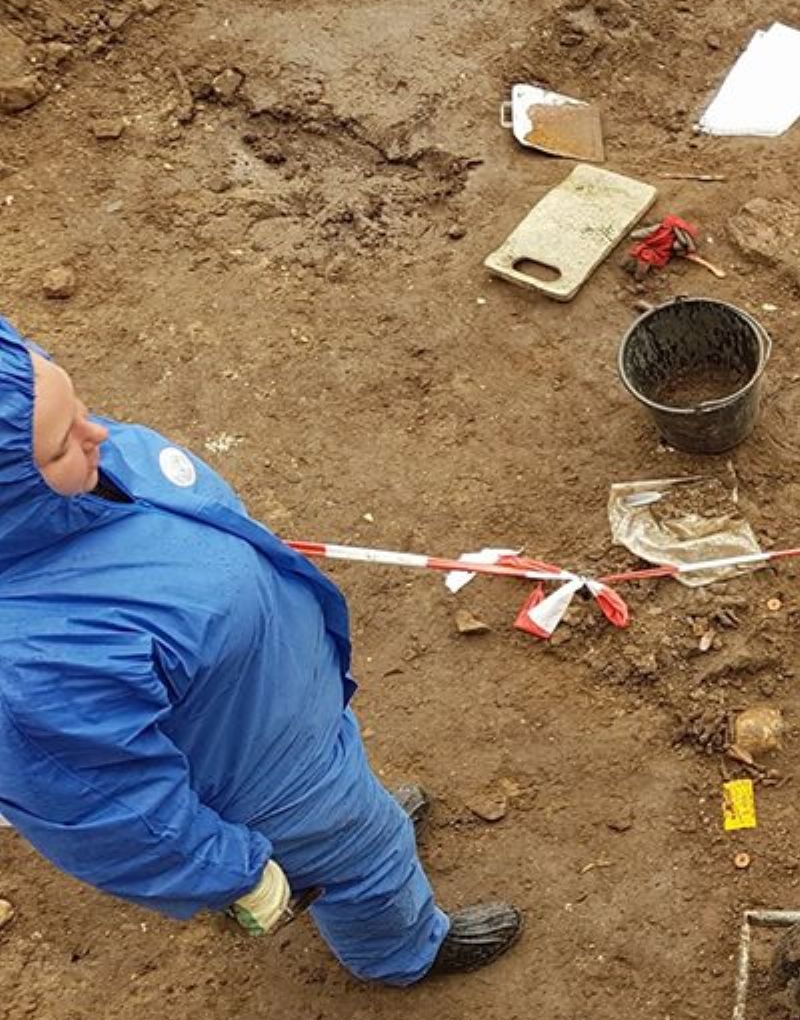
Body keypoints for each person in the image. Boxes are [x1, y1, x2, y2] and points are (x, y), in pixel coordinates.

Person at [0, 315, 522, 984]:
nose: (96, 432)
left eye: (78, 404)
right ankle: (402, 951)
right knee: (369, 854)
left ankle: (355, 825)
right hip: (259, 780)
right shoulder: (29, 672)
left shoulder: (70, 477)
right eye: (56, 445)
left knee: (355, 801)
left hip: (277, 710)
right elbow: (110, 814)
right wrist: (235, 874)